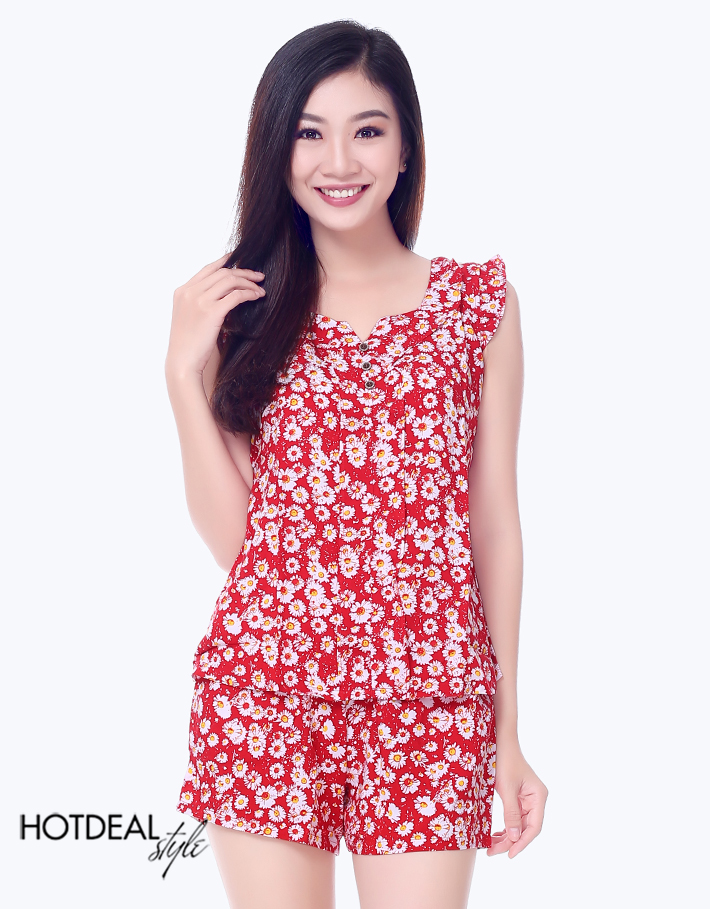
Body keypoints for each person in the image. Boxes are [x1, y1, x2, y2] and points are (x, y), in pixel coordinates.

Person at [165, 19, 547, 909]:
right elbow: (244, 549)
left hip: (433, 700)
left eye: (367, 129)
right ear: (277, 149)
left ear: (406, 147)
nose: (338, 160)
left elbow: (494, 525)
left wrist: (507, 731)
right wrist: (183, 376)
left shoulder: (476, 305)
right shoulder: (241, 313)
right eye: (310, 132)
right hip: (266, 690)